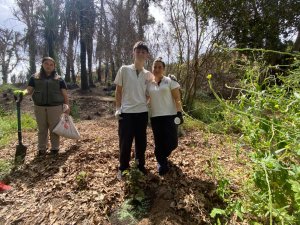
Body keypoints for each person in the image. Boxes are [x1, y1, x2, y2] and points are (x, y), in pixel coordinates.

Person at [13, 57, 70, 156]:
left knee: (54, 129)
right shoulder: (34, 77)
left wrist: (67, 106)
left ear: (54, 67)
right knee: (42, 128)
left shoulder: (59, 79)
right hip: (39, 107)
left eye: (51, 64)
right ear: (42, 65)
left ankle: (55, 148)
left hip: (55, 107)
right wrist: (23, 92)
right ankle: (41, 149)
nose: (48, 66)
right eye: (46, 64)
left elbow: (65, 94)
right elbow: (29, 90)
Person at [114, 41, 153, 179]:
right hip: (126, 113)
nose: (141, 53)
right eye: (138, 51)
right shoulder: (124, 69)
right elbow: (118, 91)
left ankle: (139, 167)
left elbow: (151, 92)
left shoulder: (148, 74)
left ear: (147, 55)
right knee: (125, 142)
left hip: (142, 113)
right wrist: (118, 108)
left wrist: (144, 103)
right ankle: (123, 168)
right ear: (133, 53)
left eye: (144, 51)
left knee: (141, 142)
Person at [147, 57, 183, 175]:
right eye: (155, 67)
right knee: (159, 141)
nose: (157, 69)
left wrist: (179, 113)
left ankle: (162, 154)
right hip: (156, 117)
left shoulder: (170, 81)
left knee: (173, 143)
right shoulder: (149, 84)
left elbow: (177, 98)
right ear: (152, 68)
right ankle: (161, 163)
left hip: (170, 116)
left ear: (163, 69)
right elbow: (147, 99)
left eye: (159, 67)